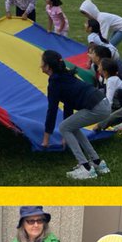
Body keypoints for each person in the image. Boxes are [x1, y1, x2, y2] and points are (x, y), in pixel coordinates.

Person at [39, 50, 110, 180]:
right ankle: (97, 162)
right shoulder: (64, 75)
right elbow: (68, 103)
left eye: (42, 62)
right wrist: (66, 135)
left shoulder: (55, 83)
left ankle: (85, 168)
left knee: (64, 127)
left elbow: (52, 110)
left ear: (48, 66)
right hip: (103, 103)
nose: (40, 65)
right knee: (71, 126)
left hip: (97, 106)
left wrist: (46, 138)